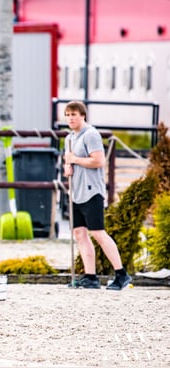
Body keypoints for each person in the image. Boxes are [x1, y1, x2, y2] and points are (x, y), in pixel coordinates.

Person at [63, 100, 132, 290]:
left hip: (92, 191)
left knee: (98, 233)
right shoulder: (69, 138)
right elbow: (69, 161)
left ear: (82, 115)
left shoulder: (91, 135)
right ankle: (90, 276)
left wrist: (75, 159)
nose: (70, 118)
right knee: (79, 233)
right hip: (76, 191)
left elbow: (98, 161)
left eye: (74, 114)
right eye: (68, 115)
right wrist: (68, 166)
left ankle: (121, 274)